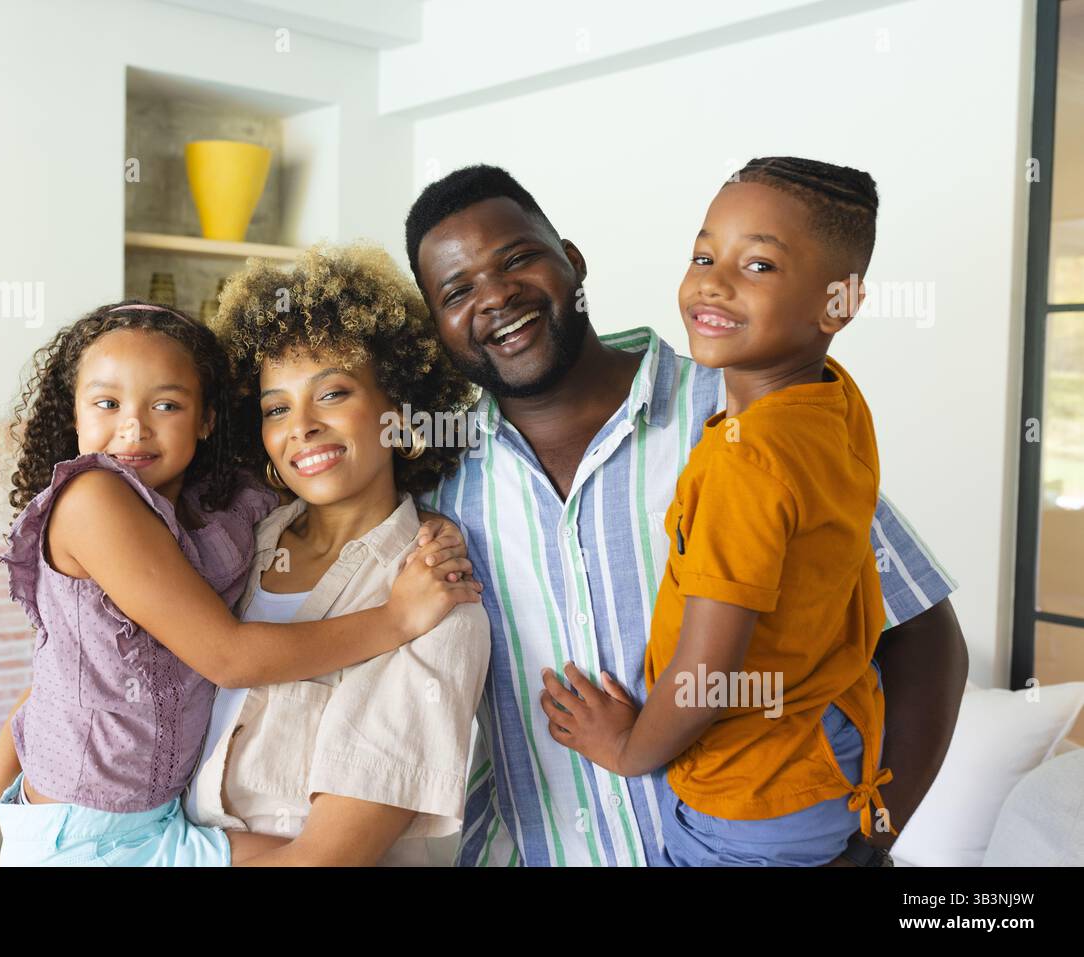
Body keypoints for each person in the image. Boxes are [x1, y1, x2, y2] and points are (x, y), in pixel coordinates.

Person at [405, 163, 969, 867]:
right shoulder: (436, 478)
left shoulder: (746, 412)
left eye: (517, 258)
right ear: (438, 324)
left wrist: (870, 841)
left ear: (571, 261)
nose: (495, 297)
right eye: (457, 291)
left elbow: (921, 632)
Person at [0, 300, 480, 866]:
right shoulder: (100, 499)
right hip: (84, 836)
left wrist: (428, 523)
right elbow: (227, 659)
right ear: (74, 415)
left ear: (207, 418)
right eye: (276, 408)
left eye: (332, 394)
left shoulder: (226, 521)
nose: (132, 427)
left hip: (162, 824)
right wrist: (396, 619)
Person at [540, 156, 894, 866]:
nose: (713, 280)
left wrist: (628, 747)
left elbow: (709, 674)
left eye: (758, 265)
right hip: (828, 748)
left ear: (838, 303)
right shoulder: (834, 400)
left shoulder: (747, 462)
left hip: (750, 796)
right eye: (704, 254)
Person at [184, 242, 492, 866]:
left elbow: (324, 861)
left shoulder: (440, 605)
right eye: (276, 408)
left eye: (332, 394)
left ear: (402, 417)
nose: (301, 426)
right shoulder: (232, 549)